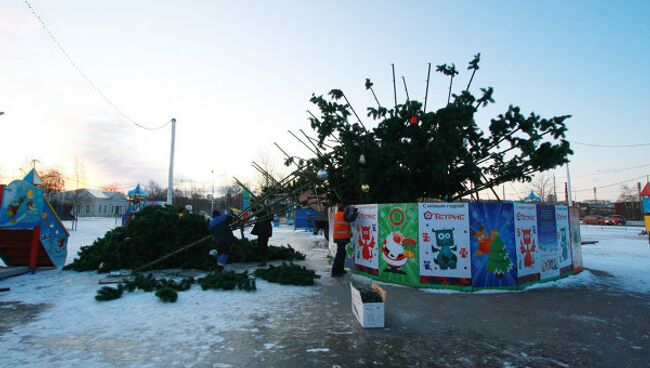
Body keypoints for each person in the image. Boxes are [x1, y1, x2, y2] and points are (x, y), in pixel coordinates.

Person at [331, 204, 353, 277]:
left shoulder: (338, 214)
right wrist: (352, 210)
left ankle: (340, 270)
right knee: (340, 254)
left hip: (340, 237)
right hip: (341, 237)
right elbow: (352, 218)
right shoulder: (343, 215)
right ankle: (335, 272)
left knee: (342, 253)